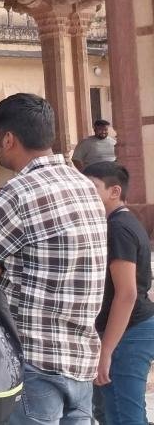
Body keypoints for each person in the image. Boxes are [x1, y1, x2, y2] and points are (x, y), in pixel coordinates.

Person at [0, 93, 108, 423]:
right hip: (81, 358)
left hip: (35, 359)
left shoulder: (21, 191)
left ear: (8, 139)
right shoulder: (84, 186)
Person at [81, 162, 154, 423]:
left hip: (129, 331)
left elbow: (127, 293)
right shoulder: (119, 222)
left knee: (126, 416)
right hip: (126, 329)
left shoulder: (118, 227)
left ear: (114, 191)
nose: (85, 193)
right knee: (115, 414)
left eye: (92, 187)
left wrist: (106, 350)